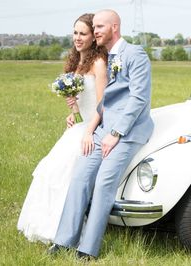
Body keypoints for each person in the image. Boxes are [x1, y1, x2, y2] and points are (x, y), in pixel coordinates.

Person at [48, 9, 154, 259]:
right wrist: (89, 126)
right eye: (93, 27)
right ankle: (64, 241)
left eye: (99, 27)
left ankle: (87, 250)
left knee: (105, 181)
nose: (94, 31)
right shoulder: (108, 57)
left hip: (129, 131)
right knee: (80, 177)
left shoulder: (135, 54)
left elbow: (139, 99)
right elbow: (104, 100)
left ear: (114, 27)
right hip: (104, 127)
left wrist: (116, 133)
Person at [17, 13, 108, 243]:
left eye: (83, 34)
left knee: (67, 172)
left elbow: (102, 105)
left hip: (94, 128)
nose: (78, 38)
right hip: (80, 126)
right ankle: (48, 226)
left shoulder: (98, 64)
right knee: (51, 169)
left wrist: (88, 131)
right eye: (75, 33)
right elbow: (82, 105)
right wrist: (73, 112)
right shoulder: (76, 63)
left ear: (93, 38)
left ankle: (69, 231)